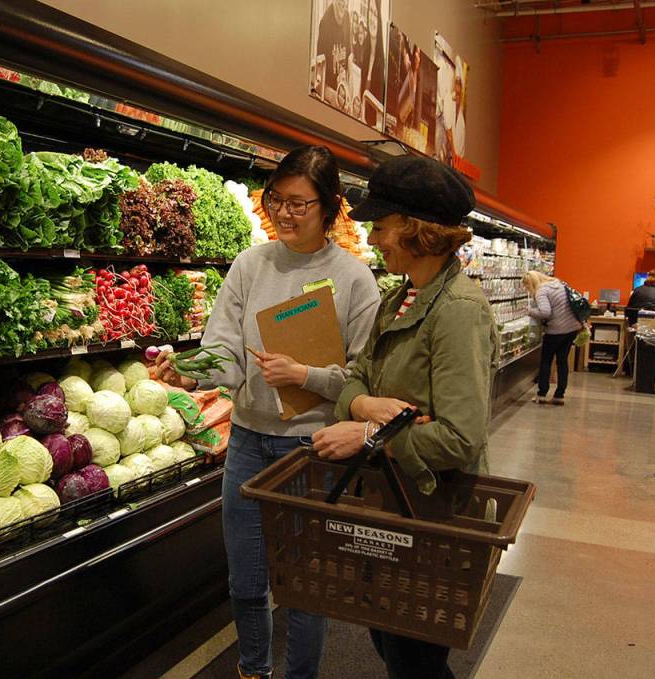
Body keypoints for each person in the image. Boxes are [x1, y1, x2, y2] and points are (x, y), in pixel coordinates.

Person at [154, 145, 380, 679]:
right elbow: (225, 347)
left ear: (331, 207)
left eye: (300, 204)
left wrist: (306, 376)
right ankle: (253, 668)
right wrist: (191, 372)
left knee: (304, 584)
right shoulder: (249, 264)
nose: (284, 213)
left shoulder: (354, 280)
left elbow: (367, 378)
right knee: (246, 578)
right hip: (250, 440)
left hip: (312, 448)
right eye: (277, 200)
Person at [311, 154, 497, 679]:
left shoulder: (457, 310)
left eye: (382, 226)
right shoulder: (399, 298)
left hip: (436, 512)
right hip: (395, 504)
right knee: (392, 642)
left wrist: (368, 435)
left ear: (418, 231)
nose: (372, 239)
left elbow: (461, 438)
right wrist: (365, 405)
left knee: (416, 658)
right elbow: (355, 379)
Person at [524, 270, 583, 404]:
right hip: (571, 328)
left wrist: (530, 311)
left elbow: (545, 312)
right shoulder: (559, 284)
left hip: (556, 330)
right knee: (562, 361)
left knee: (546, 361)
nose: (528, 289)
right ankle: (559, 395)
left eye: (527, 286)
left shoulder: (541, 291)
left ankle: (542, 394)